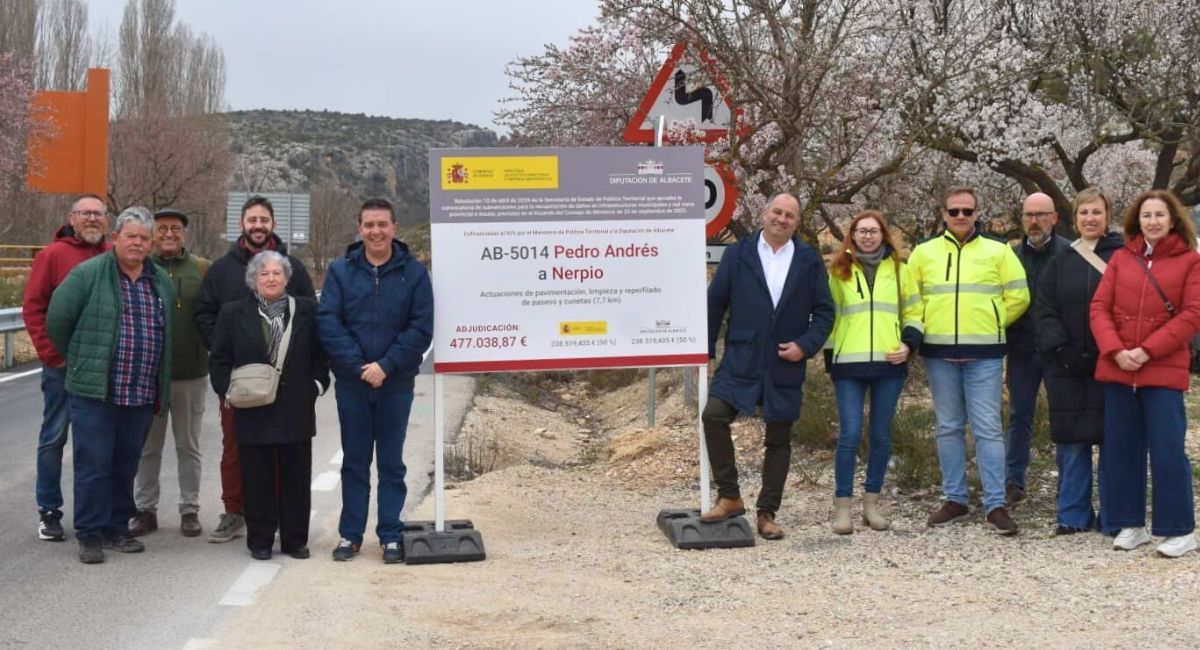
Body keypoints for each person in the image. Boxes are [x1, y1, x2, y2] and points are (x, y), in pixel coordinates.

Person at [698, 193, 835, 540]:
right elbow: (716, 305)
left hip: (784, 362)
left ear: (796, 222)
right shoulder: (738, 253)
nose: (782, 219)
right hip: (741, 358)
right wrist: (707, 353)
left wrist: (805, 346)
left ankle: (767, 513)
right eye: (777, 211)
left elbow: (824, 312)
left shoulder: (808, 259)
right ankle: (729, 496)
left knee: (779, 438)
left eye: (790, 215)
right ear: (764, 213)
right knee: (713, 415)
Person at [46, 207, 174, 564]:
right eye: (130, 236)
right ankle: (89, 533)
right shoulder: (88, 274)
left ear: (151, 244)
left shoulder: (160, 280)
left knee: (125, 464)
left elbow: (168, 335)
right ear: (115, 238)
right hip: (95, 392)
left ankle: (117, 528)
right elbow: (58, 320)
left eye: (144, 238)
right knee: (93, 463)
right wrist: (80, 359)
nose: (137, 243)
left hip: (139, 391)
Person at [193, 196, 315, 543]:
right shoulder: (221, 269)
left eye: (264, 219)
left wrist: (311, 379)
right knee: (236, 449)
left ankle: (275, 517)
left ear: (272, 224)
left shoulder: (293, 266)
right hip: (240, 383)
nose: (258, 225)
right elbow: (203, 313)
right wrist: (222, 350)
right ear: (241, 224)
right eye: (252, 219)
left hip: (286, 382)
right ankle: (235, 511)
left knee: (283, 452)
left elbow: (310, 313)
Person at [908, 187, 1029, 535]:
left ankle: (995, 504)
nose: (961, 216)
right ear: (943, 214)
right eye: (954, 211)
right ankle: (955, 499)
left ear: (978, 213)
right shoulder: (923, 253)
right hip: (939, 353)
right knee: (948, 426)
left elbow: (1019, 295)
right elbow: (912, 299)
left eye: (967, 211)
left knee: (988, 428)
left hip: (985, 354)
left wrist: (991, 322)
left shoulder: (999, 251)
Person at [318, 198, 433, 563]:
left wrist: (385, 365)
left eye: (382, 224)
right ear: (360, 229)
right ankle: (350, 535)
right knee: (354, 461)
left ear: (394, 228)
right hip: (353, 384)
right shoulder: (340, 271)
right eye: (369, 225)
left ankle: (390, 534)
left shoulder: (414, 273)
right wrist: (359, 367)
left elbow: (421, 327)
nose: (376, 231)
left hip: (396, 383)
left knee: (390, 463)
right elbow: (330, 323)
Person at [1090, 189, 1200, 558]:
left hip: (1162, 370)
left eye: (1159, 215)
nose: (1152, 221)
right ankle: (1130, 523)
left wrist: (1146, 350)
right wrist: (1116, 350)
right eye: (1146, 215)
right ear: (1138, 220)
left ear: (1173, 219)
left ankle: (1179, 529)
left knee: (1168, 451)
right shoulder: (1122, 259)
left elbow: (1191, 314)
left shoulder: (1190, 261)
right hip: (1119, 369)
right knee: (1121, 450)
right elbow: (1099, 308)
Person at [209, 251, 329, 561]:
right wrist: (227, 393)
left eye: (277, 273)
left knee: (296, 477)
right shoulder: (232, 313)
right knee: (256, 477)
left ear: (287, 278)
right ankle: (260, 540)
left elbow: (321, 355)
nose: (271, 278)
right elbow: (220, 358)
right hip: (252, 408)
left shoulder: (306, 310)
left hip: (296, 407)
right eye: (264, 274)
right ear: (253, 280)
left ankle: (295, 540)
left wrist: (317, 386)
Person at [825, 210, 923, 534]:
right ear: (851, 236)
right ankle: (843, 508)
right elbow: (830, 317)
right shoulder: (838, 271)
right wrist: (831, 359)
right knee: (850, 434)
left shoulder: (900, 269)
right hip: (848, 364)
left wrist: (909, 344)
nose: (867, 236)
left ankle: (871, 504)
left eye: (874, 231)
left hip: (889, 363)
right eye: (861, 231)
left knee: (880, 436)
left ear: (884, 235)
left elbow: (914, 309)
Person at [22, 194, 111, 542]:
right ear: (71, 218)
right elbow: (33, 308)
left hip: (103, 367)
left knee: (98, 443)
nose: (92, 219)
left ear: (106, 220)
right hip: (63, 367)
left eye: (98, 214)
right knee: (55, 437)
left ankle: (95, 514)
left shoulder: (111, 255)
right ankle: (49, 511)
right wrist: (51, 354)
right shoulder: (53, 255)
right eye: (85, 213)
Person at [1036, 187, 1122, 535]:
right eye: (1084, 212)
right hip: (1067, 365)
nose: (1090, 219)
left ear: (1107, 216)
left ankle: (1115, 514)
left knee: (1113, 441)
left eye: (1096, 212)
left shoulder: (1123, 257)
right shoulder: (1061, 261)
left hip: (1113, 362)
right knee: (1072, 441)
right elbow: (1046, 309)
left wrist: (1111, 350)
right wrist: (1061, 350)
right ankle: (1073, 515)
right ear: (1075, 218)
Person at [129, 209, 209, 538]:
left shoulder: (202, 269)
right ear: (152, 233)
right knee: (147, 447)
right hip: (150, 376)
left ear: (184, 234)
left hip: (191, 374)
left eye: (175, 228)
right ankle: (146, 509)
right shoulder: (140, 268)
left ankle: (189, 510)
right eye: (162, 229)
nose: (169, 234)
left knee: (188, 446)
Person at [1003, 193, 1070, 506]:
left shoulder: (1070, 253)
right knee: (1019, 415)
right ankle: (1013, 482)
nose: (1034, 221)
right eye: (1029, 215)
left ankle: (1067, 485)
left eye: (1041, 215)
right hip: (1022, 349)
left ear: (1054, 218)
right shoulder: (1010, 256)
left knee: (1064, 416)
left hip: (1060, 351)